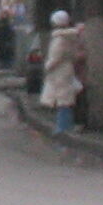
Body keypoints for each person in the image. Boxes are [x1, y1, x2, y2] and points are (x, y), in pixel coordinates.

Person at [39, 8, 88, 136]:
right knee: (65, 98)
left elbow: (56, 56)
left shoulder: (60, 38)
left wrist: (47, 65)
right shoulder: (70, 37)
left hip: (60, 71)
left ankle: (63, 126)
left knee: (63, 99)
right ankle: (66, 125)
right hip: (66, 69)